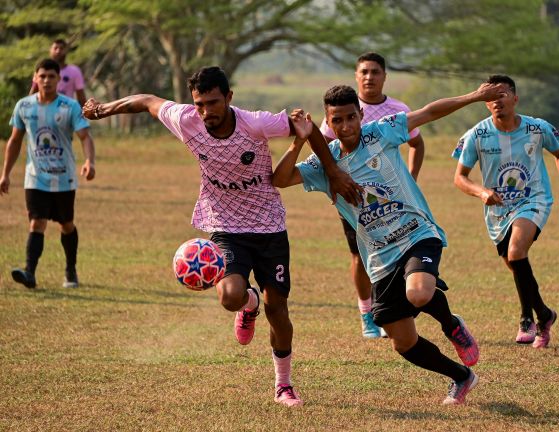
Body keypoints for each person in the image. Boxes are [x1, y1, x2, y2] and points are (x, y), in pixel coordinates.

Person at [81, 66, 362, 407]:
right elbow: (146, 101)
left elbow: (307, 128)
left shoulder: (255, 122)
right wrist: (102, 109)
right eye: (199, 104)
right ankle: (249, 303)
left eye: (213, 103)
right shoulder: (185, 120)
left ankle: (283, 385)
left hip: (269, 226)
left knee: (280, 313)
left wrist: (332, 172)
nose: (205, 112)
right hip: (225, 225)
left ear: (229, 97)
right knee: (230, 297)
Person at [272, 82, 505, 404]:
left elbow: (430, 112)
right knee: (403, 343)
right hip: (380, 258)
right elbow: (280, 179)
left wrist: (475, 97)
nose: (345, 126)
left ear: (361, 114)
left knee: (419, 292)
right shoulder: (324, 165)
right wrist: (299, 142)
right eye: (336, 121)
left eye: (351, 117)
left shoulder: (381, 132)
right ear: (328, 123)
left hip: (416, 234)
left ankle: (452, 325)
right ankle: (461, 376)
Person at [452, 74, 559, 348]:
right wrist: (482, 192)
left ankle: (525, 319)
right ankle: (544, 315)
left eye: (503, 94)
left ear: (515, 98)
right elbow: (460, 177)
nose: (497, 101)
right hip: (498, 212)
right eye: (491, 97)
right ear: (485, 103)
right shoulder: (478, 134)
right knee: (515, 265)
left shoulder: (537, 128)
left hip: (534, 200)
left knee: (516, 252)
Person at [319, 52, 427, 339]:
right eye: (364, 71)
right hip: (354, 200)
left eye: (375, 72)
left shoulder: (397, 109)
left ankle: (402, 305)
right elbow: (324, 153)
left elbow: (417, 143)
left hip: (393, 200)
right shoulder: (339, 110)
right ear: (356, 77)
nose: (369, 77)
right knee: (359, 256)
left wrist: (411, 181)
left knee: (403, 250)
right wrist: (334, 183)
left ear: (384, 76)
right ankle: (367, 314)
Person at [1, 59, 96, 289]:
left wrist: (89, 161)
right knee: (36, 223)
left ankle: (70, 270)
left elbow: (85, 137)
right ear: (35, 78)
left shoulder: (70, 107)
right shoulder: (24, 106)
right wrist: (5, 173)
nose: (46, 80)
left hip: (64, 178)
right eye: (42, 76)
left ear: (58, 79)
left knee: (67, 225)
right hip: (35, 178)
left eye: (51, 76)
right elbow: (14, 141)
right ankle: (29, 272)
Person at [30, 39, 87, 106]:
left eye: (61, 48)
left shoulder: (75, 71)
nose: (58, 51)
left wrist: (83, 114)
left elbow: (81, 97)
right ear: (50, 50)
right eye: (55, 48)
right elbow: (33, 92)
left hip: (66, 111)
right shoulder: (41, 70)